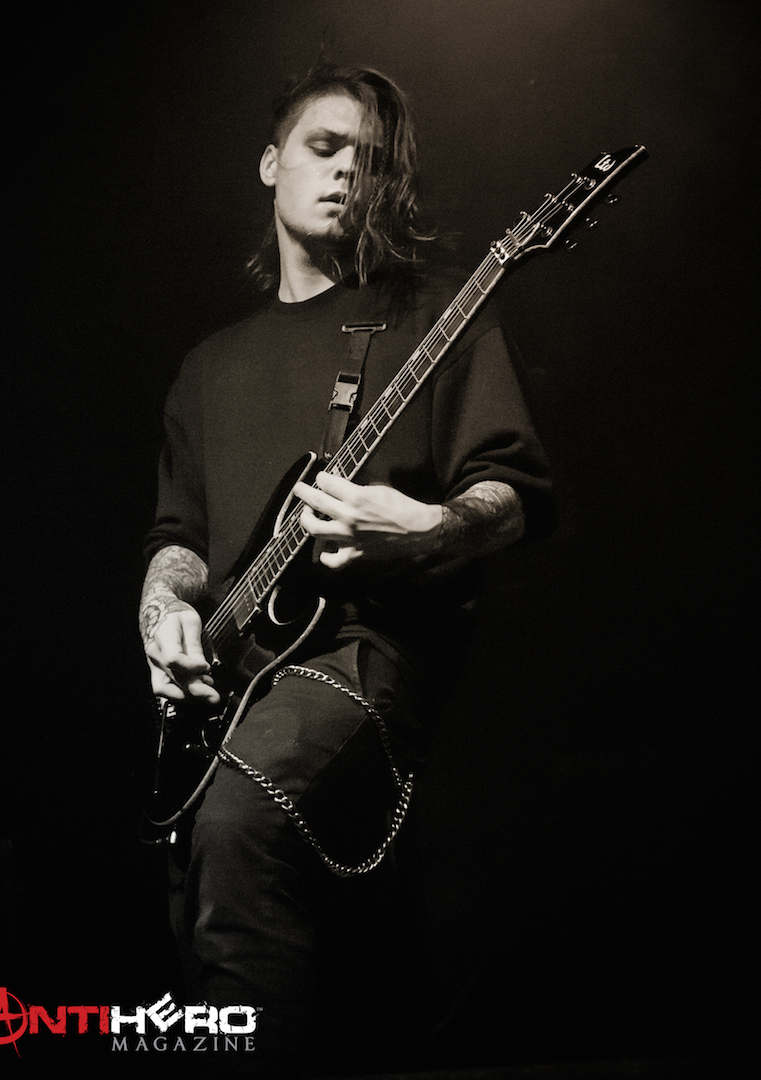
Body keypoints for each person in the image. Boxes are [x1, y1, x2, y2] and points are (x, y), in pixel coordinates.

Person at [139, 63, 555, 1077]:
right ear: (270, 162)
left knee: (238, 824)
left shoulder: (431, 319)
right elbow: (178, 535)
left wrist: (429, 526)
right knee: (199, 904)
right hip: (233, 683)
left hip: (362, 655)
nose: (345, 174)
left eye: (367, 162)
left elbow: (511, 494)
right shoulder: (208, 366)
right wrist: (163, 611)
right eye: (323, 148)